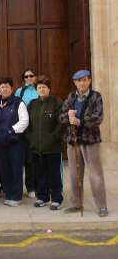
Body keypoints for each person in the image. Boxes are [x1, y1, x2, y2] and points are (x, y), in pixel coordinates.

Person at [59, 69, 108, 217]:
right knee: (75, 175)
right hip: (73, 141)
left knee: (95, 174)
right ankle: (76, 203)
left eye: (85, 79)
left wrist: (80, 121)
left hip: (90, 140)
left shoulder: (96, 96)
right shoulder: (71, 97)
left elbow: (98, 118)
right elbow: (61, 116)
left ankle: (101, 206)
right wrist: (69, 117)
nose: (83, 83)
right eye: (80, 80)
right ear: (75, 82)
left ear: (89, 81)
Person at [26, 75, 64, 210]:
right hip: (36, 147)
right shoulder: (32, 104)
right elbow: (27, 124)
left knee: (54, 174)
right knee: (39, 174)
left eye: (44, 87)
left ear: (49, 89)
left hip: (52, 147)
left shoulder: (56, 102)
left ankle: (57, 199)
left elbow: (62, 122)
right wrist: (31, 139)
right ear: (36, 89)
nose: (42, 89)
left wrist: (54, 137)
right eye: (39, 87)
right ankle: (42, 197)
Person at [0, 78, 29, 206]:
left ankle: (17, 197)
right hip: (1, 143)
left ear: (12, 88)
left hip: (15, 142)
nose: (4, 89)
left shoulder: (18, 102)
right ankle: (8, 195)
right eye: (2, 87)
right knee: (4, 169)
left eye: (7, 87)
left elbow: (24, 121)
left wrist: (10, 131)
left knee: (16, 169)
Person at [15, 68, 39, 198]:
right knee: (21, 158)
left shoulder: (38, 90)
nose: (28, 78)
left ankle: (32, 187)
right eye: (26, 76)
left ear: (35, 78)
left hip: (35, 129)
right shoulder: (19, 91)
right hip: (22, 129)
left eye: (31, 76)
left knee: (31, 160)